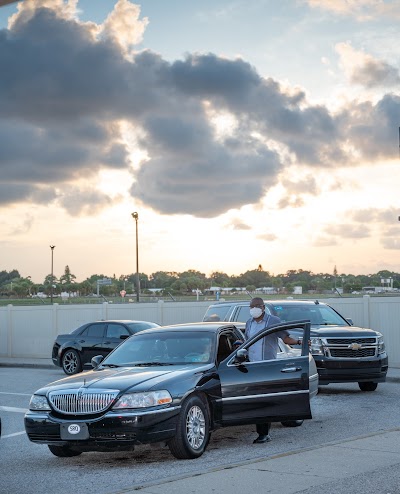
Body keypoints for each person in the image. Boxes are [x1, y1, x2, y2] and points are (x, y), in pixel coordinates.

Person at [245, 297, 302, 444]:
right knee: (256, 400)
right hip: (252, 367)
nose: (253, 309)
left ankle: (264, 434)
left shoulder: (273, 321)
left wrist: (299, 342)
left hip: (267, 367)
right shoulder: (249, 323)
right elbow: (246, 342)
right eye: (251, 306)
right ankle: (262, 431)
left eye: (256, 306)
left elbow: (285, 338)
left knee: (264, 400)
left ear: (263, 307)